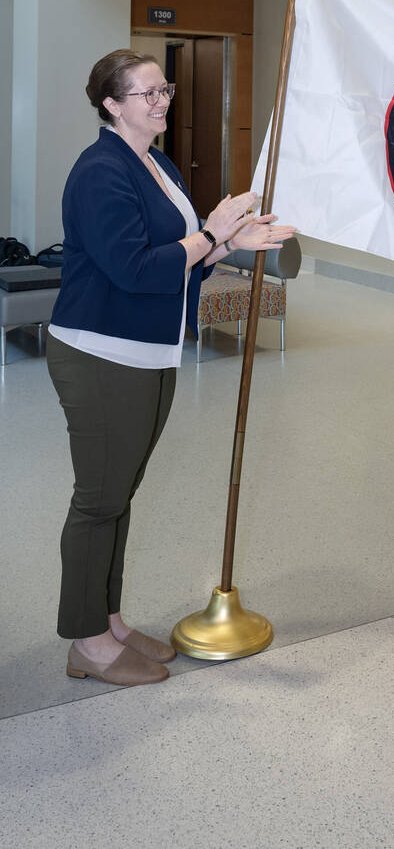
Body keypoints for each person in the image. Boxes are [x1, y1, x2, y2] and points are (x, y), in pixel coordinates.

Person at [47, 49, 296, 687]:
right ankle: (86, 642)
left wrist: (227, 242)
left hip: (147, 350)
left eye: (165, 90)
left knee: (119, 496)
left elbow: (178, 258)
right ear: (111, 104)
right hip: (101, 351)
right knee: (99, 501)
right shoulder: (100, 170)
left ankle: (110, 620)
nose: (160, 102)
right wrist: (211, 235)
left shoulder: (153, 163)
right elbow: (133, 268)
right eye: (145, 93)